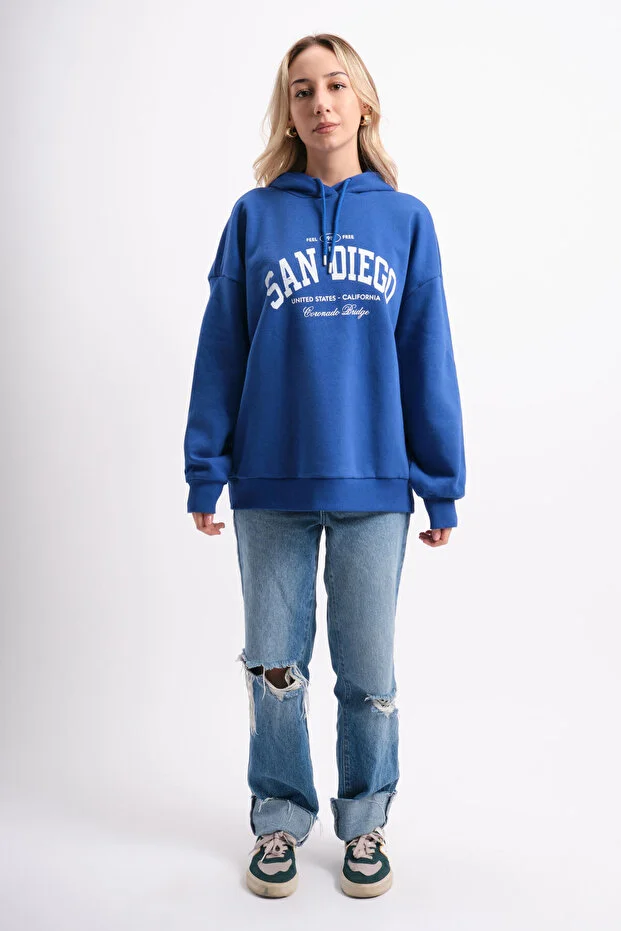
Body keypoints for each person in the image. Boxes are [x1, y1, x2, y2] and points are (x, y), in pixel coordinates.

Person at [183, 33, 466, 899]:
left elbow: (425, 352)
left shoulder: (405, 220)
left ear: (362, 101)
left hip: (374, 483)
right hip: (269, 481)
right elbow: (221, 347)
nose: (319, 103)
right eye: (301, 90)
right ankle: (278, 816)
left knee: (368, 672)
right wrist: (205, 466)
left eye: (335, 85)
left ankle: (364, 819)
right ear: (289, 112)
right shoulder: (253, 216)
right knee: (274, 667)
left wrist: (439, 481)